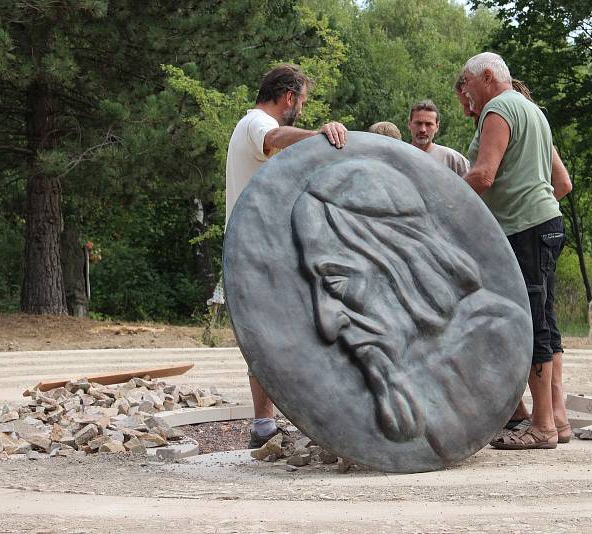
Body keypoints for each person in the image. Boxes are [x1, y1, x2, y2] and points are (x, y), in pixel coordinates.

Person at [290, 160, 532, 461]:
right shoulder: (392, 367)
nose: (326, 323)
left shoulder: (496, 336)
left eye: (336, 283)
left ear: (405, 261)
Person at [225, 63, 348, 448]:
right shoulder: (254, 125)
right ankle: (268, 424)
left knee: (270, 334)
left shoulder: (249, 128)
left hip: (259, 249)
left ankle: (267, 425)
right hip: (256, 252)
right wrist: (318, 135)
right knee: (275, 334)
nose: (303, 109)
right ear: (289, 97)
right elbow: (275, 136)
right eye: (302, 102)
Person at [460, 51, 572, 449]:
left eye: (468, 84)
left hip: (524, 232)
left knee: (530, 325)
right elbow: (562, 184)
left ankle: (541, 427)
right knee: (546, 320)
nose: (467, 95)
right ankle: (555, 417)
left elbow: (483, 174)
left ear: (487, 77)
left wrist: (439, 198)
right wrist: (531, 198)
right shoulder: (532, 110)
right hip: (547, 225)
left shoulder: (498, 110)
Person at [407, 100, 469, 177]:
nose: (423, 129)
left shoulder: (452, 159)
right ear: (409, 124)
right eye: (418, 123)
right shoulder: (399, 156)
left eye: (428, 124)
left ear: (437, 126)